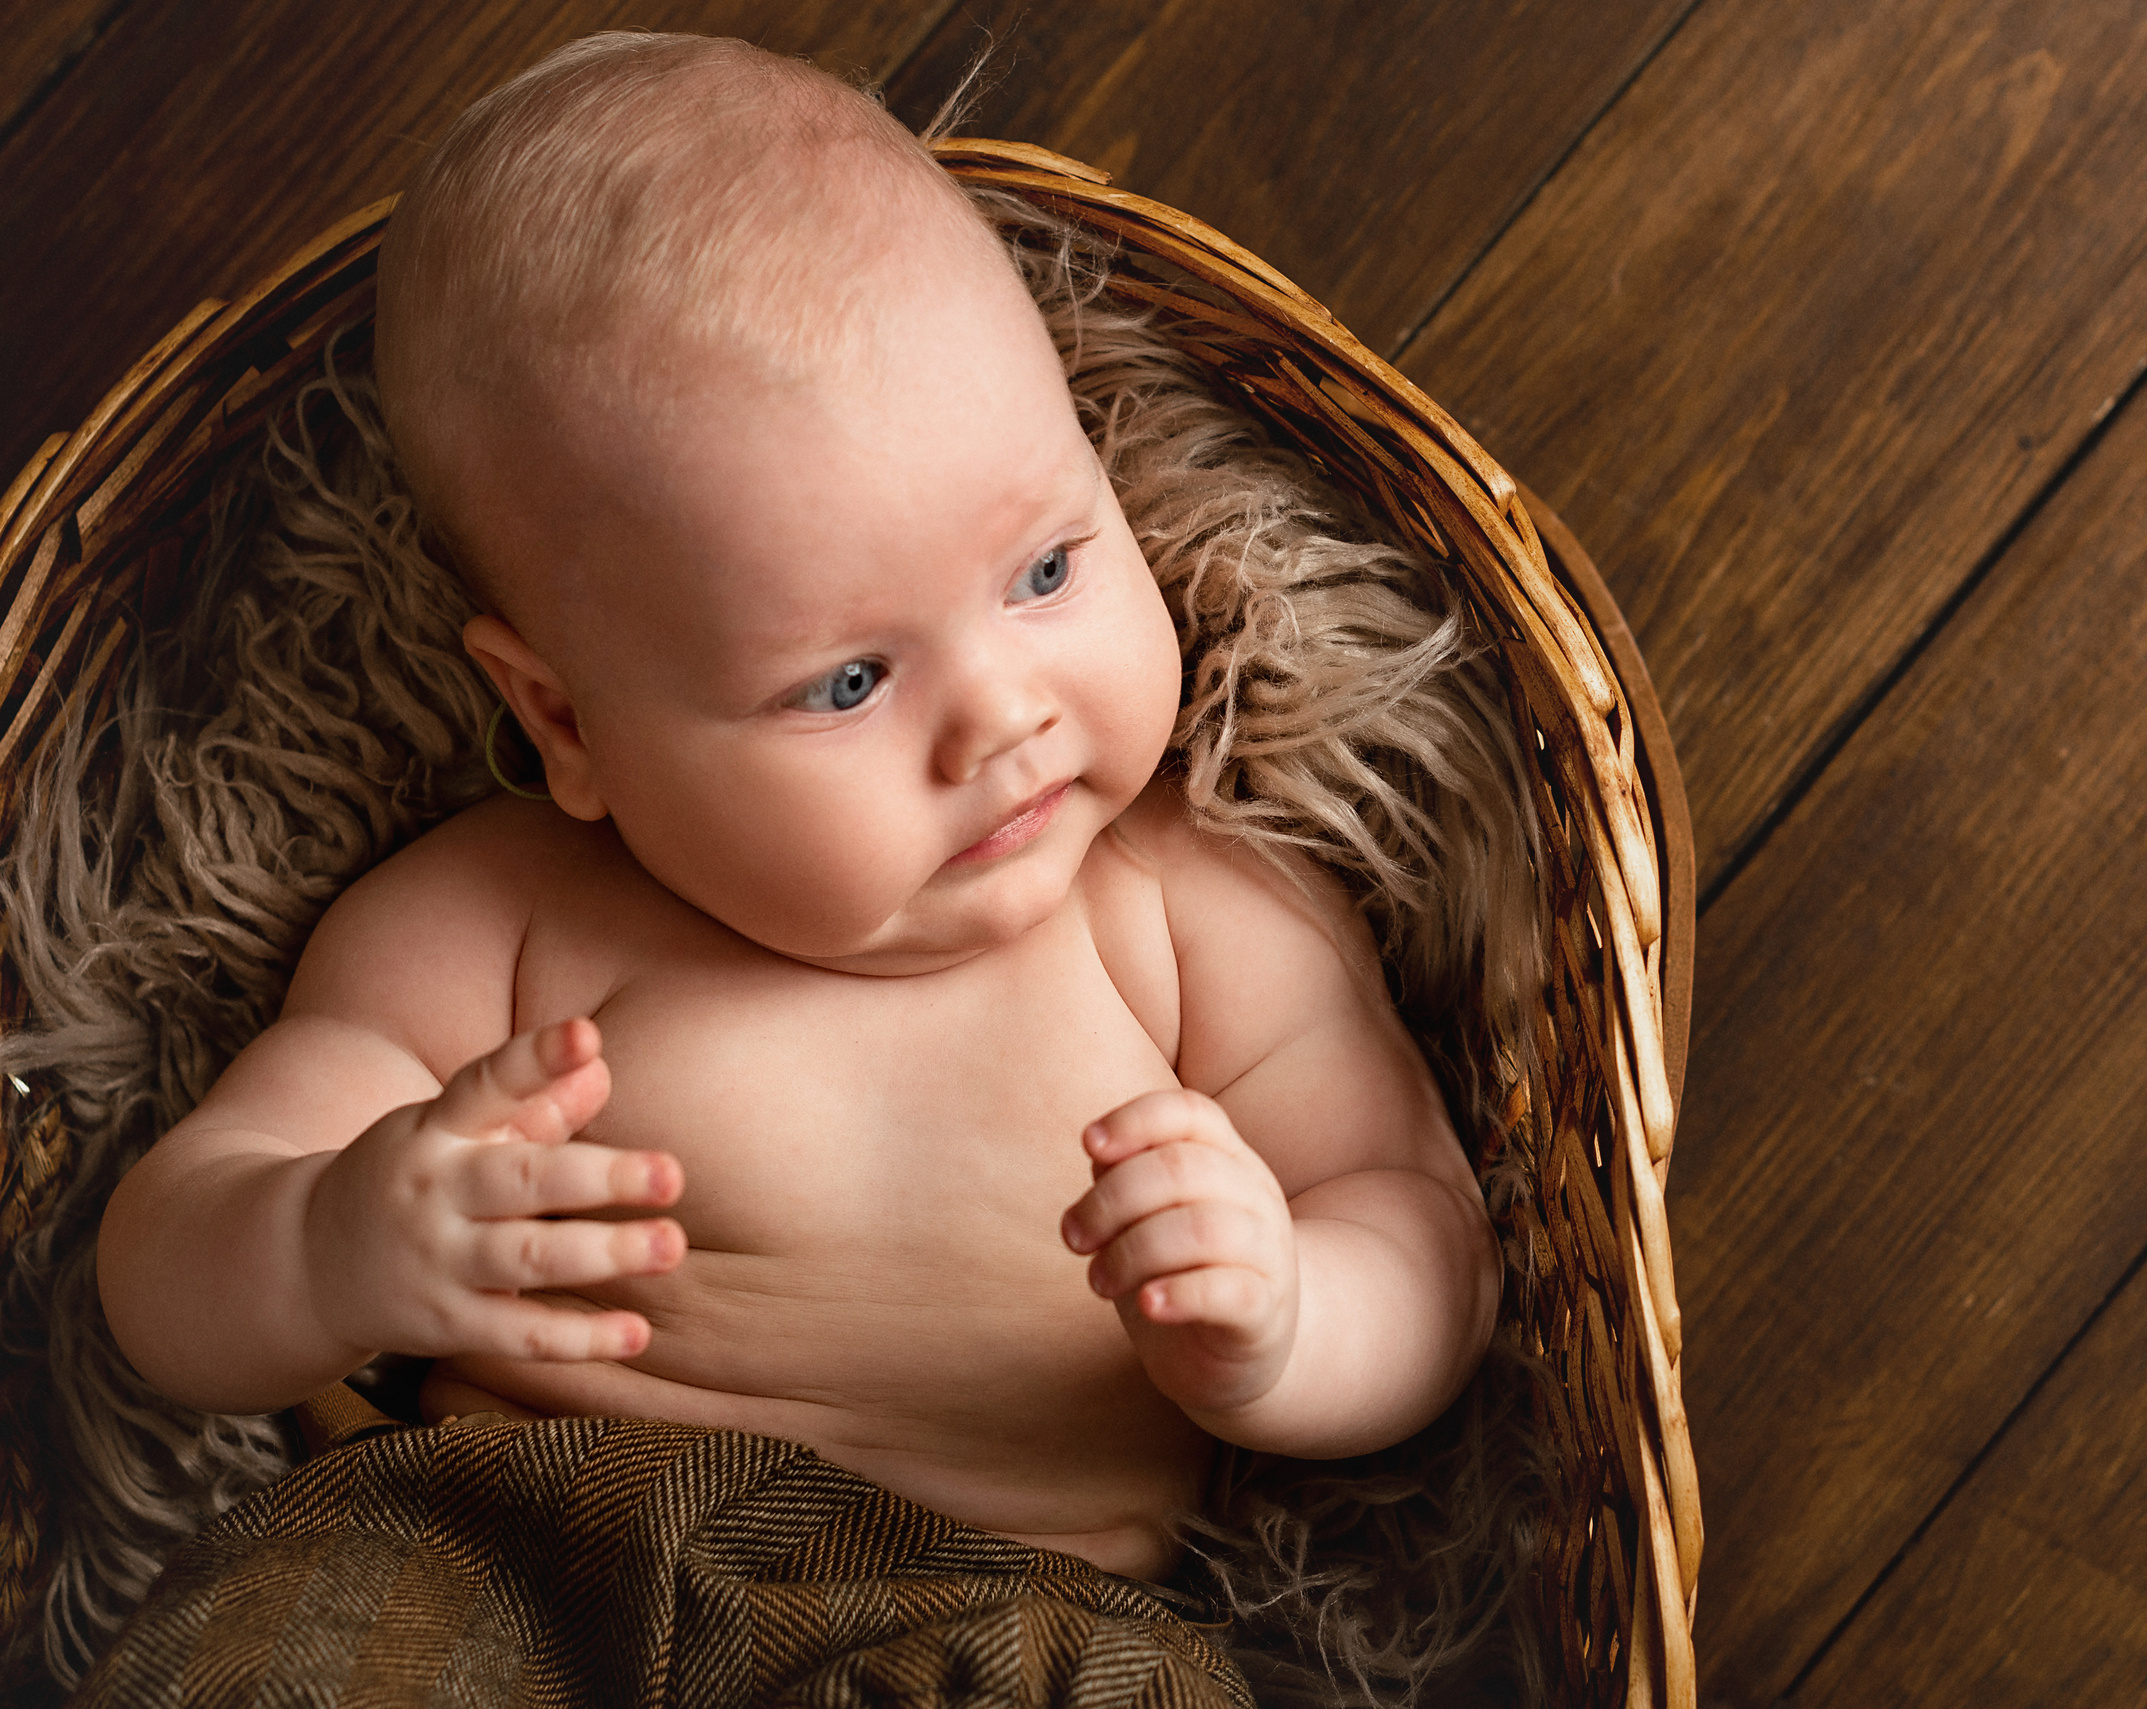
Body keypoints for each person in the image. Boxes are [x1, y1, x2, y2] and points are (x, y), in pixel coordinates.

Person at [92, 31, 1498, 1588]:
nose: (1003, 715)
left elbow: (1425, 1230)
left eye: (1044, 570)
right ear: (565, 721)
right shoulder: (491, 933)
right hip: (512, 1580)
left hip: (1008, 1623)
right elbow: (161, 1272)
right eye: (847, 681)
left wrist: (1289, 1319)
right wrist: (326, 1242)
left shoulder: (1192, 905)